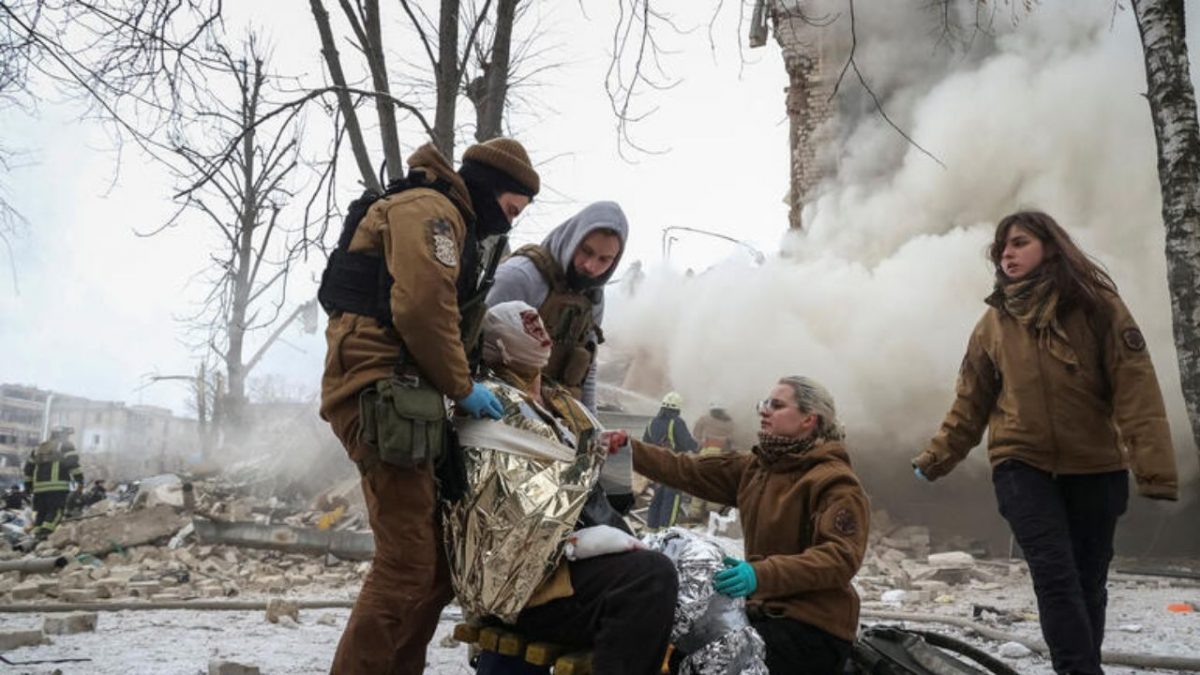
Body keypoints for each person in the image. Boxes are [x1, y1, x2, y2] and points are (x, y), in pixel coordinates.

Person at [912, 210, 1178, 675]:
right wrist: (936, 458)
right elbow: (969, 405)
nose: (1007, 255)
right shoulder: (992, 324)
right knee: (1055, 577)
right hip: (1021, 465)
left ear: (1050, 247)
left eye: (1018, 243)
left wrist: (1154, 470)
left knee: (1088, 582)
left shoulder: (1099, 307)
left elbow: (1136, 387)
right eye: (1001, 249)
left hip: (1096, 466)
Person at [319, 138, 540, 674]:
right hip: (380, 392)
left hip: (405, 395)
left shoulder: (451, 217)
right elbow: (422, 307)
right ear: (490, 189)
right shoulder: (432, 213)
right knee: (405, 565)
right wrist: (462, 387)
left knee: (435, 566)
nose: (506, 225)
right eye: (509, 210)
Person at [473, 301, 677, 675]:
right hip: (528, 581)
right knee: (650, 579)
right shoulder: (492, 406)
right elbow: (506, 511)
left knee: (681, 570)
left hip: (573, 563)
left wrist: (613, 459)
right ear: (499, 344)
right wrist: (586, 539)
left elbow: (613, 501)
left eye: (537, 319)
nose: (539, 327)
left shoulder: (563, 404)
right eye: (525, 323)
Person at [632, 376, 869, 674]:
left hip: (814, 627)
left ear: (809, 419)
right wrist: (628, 449)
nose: (764, 411)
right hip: (763, 612)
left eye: (777, 405)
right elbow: (688, 470)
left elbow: (840, 558)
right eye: (764, 404)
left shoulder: (835, 482)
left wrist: (760, 574)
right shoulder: (757, 468)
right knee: (680, 656)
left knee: (711, 666)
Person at [487, 201, 632, 511]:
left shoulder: (593, 295)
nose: (592, 267)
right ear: (572, 239)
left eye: (605, 259)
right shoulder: (520, 277)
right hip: (503, 421)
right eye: (586, 252)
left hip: (555, 420)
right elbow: (473, 345)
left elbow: (586, 365)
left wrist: (591, 427)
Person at [642, 392, 698, 530]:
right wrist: (697, 447)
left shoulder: (652, 422)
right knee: (671, 499)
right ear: (677, 409)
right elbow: (686, 443)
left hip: (658, 467)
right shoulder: (677, 422)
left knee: (657, 498)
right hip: (673, 467)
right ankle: (666, 531)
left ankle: (651, 530)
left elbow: (646, 443)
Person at [23, 427, 84, 539]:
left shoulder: (38, 448)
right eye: (67, 435)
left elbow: (28, 469)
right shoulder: (65, 446)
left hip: (38, 489)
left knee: (41, 513)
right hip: (57, 487)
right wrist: (80, 480)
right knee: (56, 512)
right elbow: (73, 464)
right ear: (62, 435)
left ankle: (36, 536)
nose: (68, 437)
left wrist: (28, 485)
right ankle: (45, 534)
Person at [690, 402, 738, 522]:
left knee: (700, 481)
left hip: (706, 453)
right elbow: (732, 440)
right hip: (722, 456)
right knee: (716, 483)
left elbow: (696, 434)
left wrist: (700, 444)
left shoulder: (704, 419)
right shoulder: (729, 422)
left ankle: (695, 513)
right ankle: (712, 513)